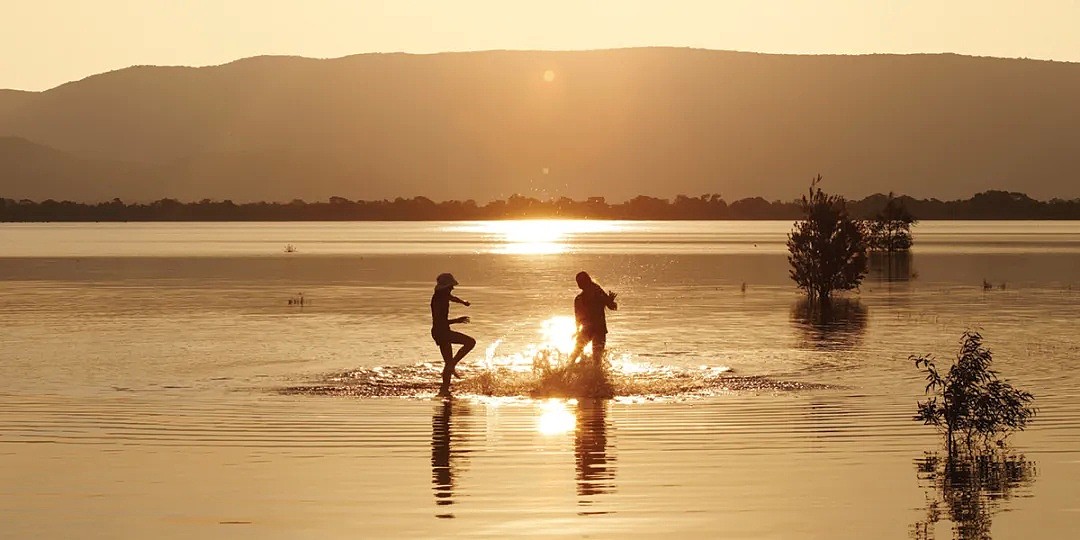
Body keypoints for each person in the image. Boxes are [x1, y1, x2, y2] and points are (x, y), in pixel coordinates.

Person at [431, 273, 475, 396]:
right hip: (441, 332)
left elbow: (452, 298)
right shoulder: (438, 300)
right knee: (470, 342)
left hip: (442, 331)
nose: (452, 288)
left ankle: (444, 390)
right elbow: (439, 321)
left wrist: (463, 302)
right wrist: (457, 320)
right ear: (445, 287)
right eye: (450, 286)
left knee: (448, 361)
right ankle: (452, 365)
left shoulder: (443, 296)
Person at [567, 271, 618, 366]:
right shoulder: (580, 298)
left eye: (580, 281)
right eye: (577, 282)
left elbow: (612, 306)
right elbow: (578, 318)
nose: (578, 284)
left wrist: (610, 301)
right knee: (586, 356)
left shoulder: (596, 292)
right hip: (592, 329)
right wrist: (577, 331)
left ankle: (568, 373)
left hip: (596, 329)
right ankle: (567, 372)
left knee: (588, 357)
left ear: (586, 281)